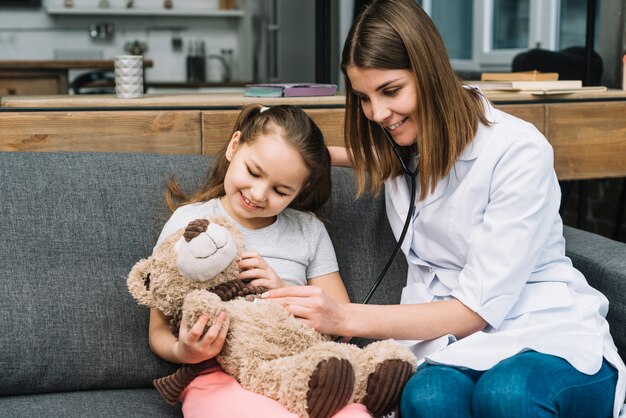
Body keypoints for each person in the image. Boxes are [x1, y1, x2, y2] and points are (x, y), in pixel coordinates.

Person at [263, 1, 626, 417]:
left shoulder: (517, 151)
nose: (378, 114)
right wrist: (284, 154)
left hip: (544, 328)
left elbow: (473, 310)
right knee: (428, 398)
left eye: (391, 90)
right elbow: (370, 159)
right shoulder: (406, 153)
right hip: (456, 341)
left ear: (430, 72)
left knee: (507, 394)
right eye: (363, 97)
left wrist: (342, 317)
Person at [148, 104, 370, 418]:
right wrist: (184, 350)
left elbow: (341, 325)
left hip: (295, 366)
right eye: (253, 172)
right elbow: (158, 329)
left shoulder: (308, 231)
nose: (259, 194)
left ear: (301, 189)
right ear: (234, 146)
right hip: (216, 374)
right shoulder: (190, 221)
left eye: (281, 190)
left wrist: (283, 293)